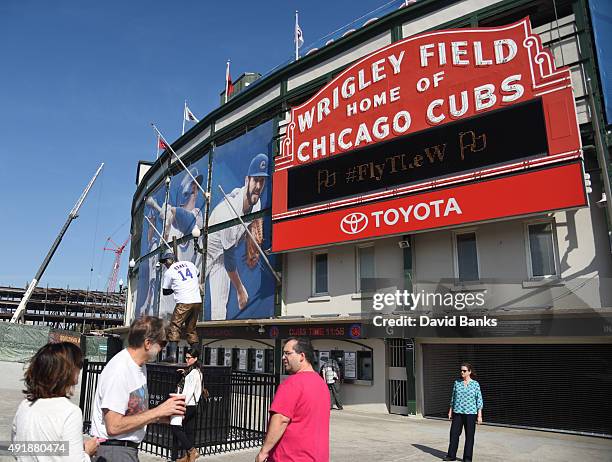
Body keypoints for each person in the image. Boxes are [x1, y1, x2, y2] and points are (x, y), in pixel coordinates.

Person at [91, 316, 186, 461]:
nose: (163, 348)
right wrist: (157, 411)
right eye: (162, 343)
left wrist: (160, 418)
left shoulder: (140, 366)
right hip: (114, 451)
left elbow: (133, 413)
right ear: (148, 343)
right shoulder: (119, 370)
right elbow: (114, 426)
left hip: (125, 450)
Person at [206, 153, 268, 320]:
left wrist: (253, 245)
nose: (258, 186)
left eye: (262, 181)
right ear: (247, 180)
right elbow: (230, 260)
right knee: (190, 296)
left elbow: (254, 225)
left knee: (219, 313)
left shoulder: (257, 202)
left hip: (222, 257)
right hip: (205, 254)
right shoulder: (229, 212)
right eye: (256, 180)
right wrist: (240, 290)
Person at [12, 342, 98, 461]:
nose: (79, 369)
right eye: (78, 364)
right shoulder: (70, 412)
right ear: (66, 370)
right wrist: (87, 451)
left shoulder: (25, 406)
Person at [256, 338, 330, 462]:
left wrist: (264, 452)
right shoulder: (321, 384)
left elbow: (280, 419)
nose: (283, 357)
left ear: (302, 356)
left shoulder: (291, 383)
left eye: (288, 353)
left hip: (290, 457)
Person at [160, 248, 202, 360]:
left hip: (184, 301)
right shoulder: (189, 264)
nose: (165, 264)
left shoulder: (169, 272)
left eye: (165, 262)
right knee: (191, 328)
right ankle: (196, 354)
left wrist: (176, 287)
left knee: (174, 326)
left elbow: (165, 291)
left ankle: (172, 356)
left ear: (170, 260)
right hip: (197, 300)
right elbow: (197, 274)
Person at [443, 362, 484, 462]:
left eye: (464, 371)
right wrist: (450, 411)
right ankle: (451, 455)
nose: (462, 372)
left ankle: (467, 458)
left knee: (469, 436)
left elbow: (479, 400)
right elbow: (453, 397)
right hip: (457, 412)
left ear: (469, 372)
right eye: (461, 370)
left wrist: (479, 415)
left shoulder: (475, 384)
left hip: (470, 414)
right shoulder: (457, 382)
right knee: (454, 434)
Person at [171, 348, 204, 462]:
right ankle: (189, 457)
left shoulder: (193, 373)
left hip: (188, 404)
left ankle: (191, 450)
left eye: (189, 358)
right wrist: (185, 372)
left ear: (195, 359)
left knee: (175, 426)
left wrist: (182, 405)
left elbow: (188, 392)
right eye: (186, 357)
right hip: (193, 405)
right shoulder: (195, 371)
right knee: (189, 430)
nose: (187, 360)